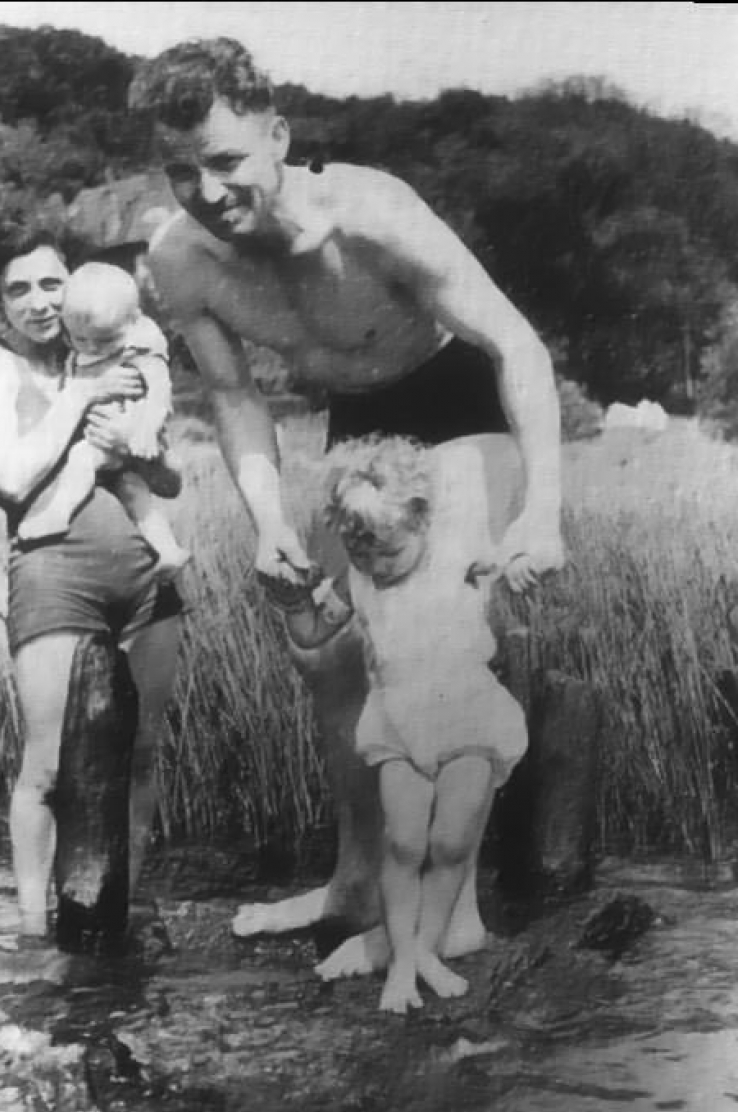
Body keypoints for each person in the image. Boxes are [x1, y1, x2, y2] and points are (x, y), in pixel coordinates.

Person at [129, 38, 563, 967]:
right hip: (356, 422)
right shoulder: (180, 262)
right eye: (179, 171)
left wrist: (542, 514)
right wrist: (270, 521)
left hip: (453, 398)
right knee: (328, 657)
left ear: (276, 134)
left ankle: (454, 913)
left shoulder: (372, 212)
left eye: (223, 160)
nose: (205, 192)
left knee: (437, 643)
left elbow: (517, 345)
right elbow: (237, 399)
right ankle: (356, 883)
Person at [0, 217, 184, 940]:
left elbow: (166, 477)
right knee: (47, 764)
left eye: (50, 281)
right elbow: (15, 474)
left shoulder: (118, 347)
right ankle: (32, 930)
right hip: (56, 575)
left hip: (147, 575)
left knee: (141, 752)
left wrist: (135, 446)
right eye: (16, 289)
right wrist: (83, 397)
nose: (38, 301)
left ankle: (120, 909)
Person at [285, 434, 527, 1012]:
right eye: (360, 552)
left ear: (422, 522)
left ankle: (424, 951)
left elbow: (510, 556)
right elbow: (313, 633)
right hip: (397, 720)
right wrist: (291, 602)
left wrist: (519, 561)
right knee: (402, 842)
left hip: (469, 715)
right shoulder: (358, 579)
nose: (375, 565)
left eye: (388, 552)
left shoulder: (460, 552)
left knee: (450, 843)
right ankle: (401, 964)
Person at [18, 261, 191, 581]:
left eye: (104, 340)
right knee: (133, 489)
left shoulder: (140, 346)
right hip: (106, 435)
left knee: (82, 459)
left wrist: (146, 430)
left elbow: (160, 391)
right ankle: (167, 550)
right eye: (82, 340)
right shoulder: (80, 340)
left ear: (134, 320)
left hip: (133, 432)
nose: (92, 348)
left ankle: (57, 513)